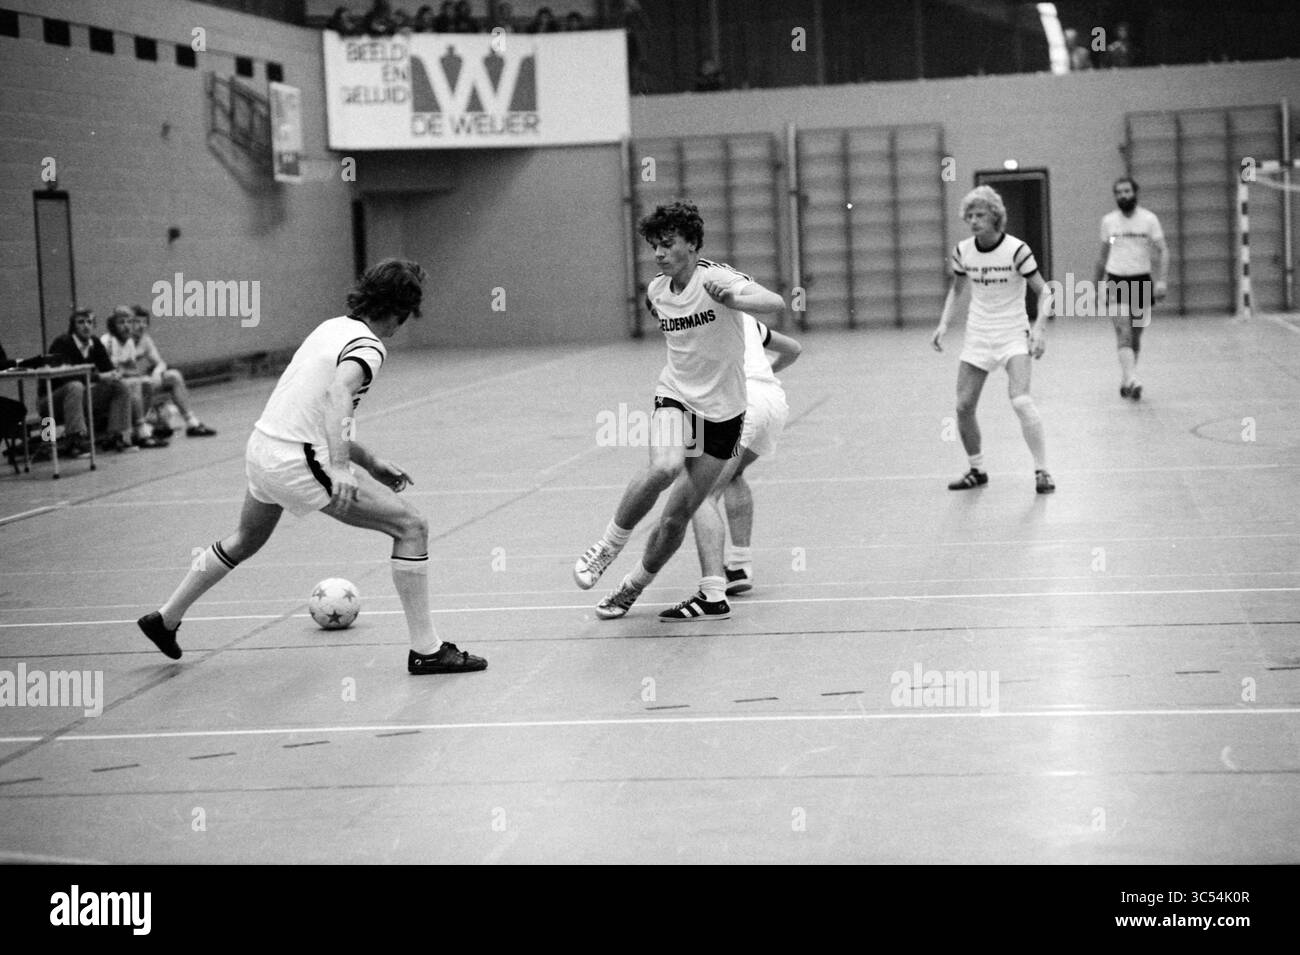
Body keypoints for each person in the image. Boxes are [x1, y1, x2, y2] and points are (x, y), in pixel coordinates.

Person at [137, 260, 486, 675]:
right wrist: (339, 466)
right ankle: (427, 650)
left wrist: (368, 461)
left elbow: (313, 410)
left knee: (246, 539)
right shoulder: (369, 346)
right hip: (298, 460)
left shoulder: (330, 328)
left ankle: (165, 617)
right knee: (411, 527)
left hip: (263, 448)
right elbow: (339, 395)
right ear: (400, 309)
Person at [573, 200, 787, 620]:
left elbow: (774, 301)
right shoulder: (657, 290)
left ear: (691, 244)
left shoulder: (717, 279)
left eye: (667, 244)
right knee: (664, 468)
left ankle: (630, 588)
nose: (658, 254)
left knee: (677, 518)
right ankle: (607, 546)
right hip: (676, 398)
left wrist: (736, 298)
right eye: (654, 246)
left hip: (725, 413)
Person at [670, 316, 801, 619]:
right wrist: (766, 372)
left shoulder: (695, 317)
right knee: (734, 474)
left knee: (702, 493)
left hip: (740, 401)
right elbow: (794, 349)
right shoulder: (746, 319)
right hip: (772, 401)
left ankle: (712, 593)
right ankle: (739, 564)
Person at [932, 186, 1055, 494]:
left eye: (980, 215)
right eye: (969, 216)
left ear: (995, 216)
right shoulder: (964, 251)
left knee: (1021, 400)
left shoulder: (1016, 249)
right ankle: (977, 469)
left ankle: (1042, 471)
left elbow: (1045, 291)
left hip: (1013, 333)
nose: (974, 221)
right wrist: (944, 324)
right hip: (978, 334)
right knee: (963, 406)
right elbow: (957, 289)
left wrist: (1039, 329)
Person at [1095, 177, 1167, 400]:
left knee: (1135, 337)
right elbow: (1103, 256)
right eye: (1118, 192)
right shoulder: (1109, 222)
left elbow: (1163, 250)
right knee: (1123, 333)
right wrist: (1097, 285)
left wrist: (1162, 280)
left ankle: (1127, 377)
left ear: (1135, 193)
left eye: (1126, 191)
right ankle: (1133, 379)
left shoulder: (1148, 220)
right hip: (1116, 280)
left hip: (1141, 281)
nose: (1122, 196)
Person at [46, 307, 134, 456]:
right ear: (73, 326)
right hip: (52, 400)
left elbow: (109, 370)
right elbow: (65, 377)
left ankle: (115, 436)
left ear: (94, 325)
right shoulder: (62, 343)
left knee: (119, 386)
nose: (86, 325)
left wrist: (114, 374)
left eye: (89, 322)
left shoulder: (95, 343)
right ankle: (74, 441)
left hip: (82, 397)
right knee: (75, 386)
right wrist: (99, 377)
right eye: (81, 322)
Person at [128, 304, 217, 437]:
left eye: (144, 323)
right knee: (145, 383)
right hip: (126, 384)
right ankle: (140, 428)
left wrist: (157, 372)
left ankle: (192, 423)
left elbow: (160, 363)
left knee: (173, 376)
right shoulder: (119, 341)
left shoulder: (145, 340)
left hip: (140, 383)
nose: (141, 326)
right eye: (137, 322)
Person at [102, 307, 168, 449]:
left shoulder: (129, 342)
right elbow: (110, 370)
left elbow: (132, 370)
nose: (126, 326)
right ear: (113, 325)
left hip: (121, 381)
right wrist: (125, 371)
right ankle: (140, 430)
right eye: (121, 322)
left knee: (145, 383)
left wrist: (130, 372)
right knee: (132, 383)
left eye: (129, 322)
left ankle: (137, 428)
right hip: (104, 385)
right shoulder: (107, 341)